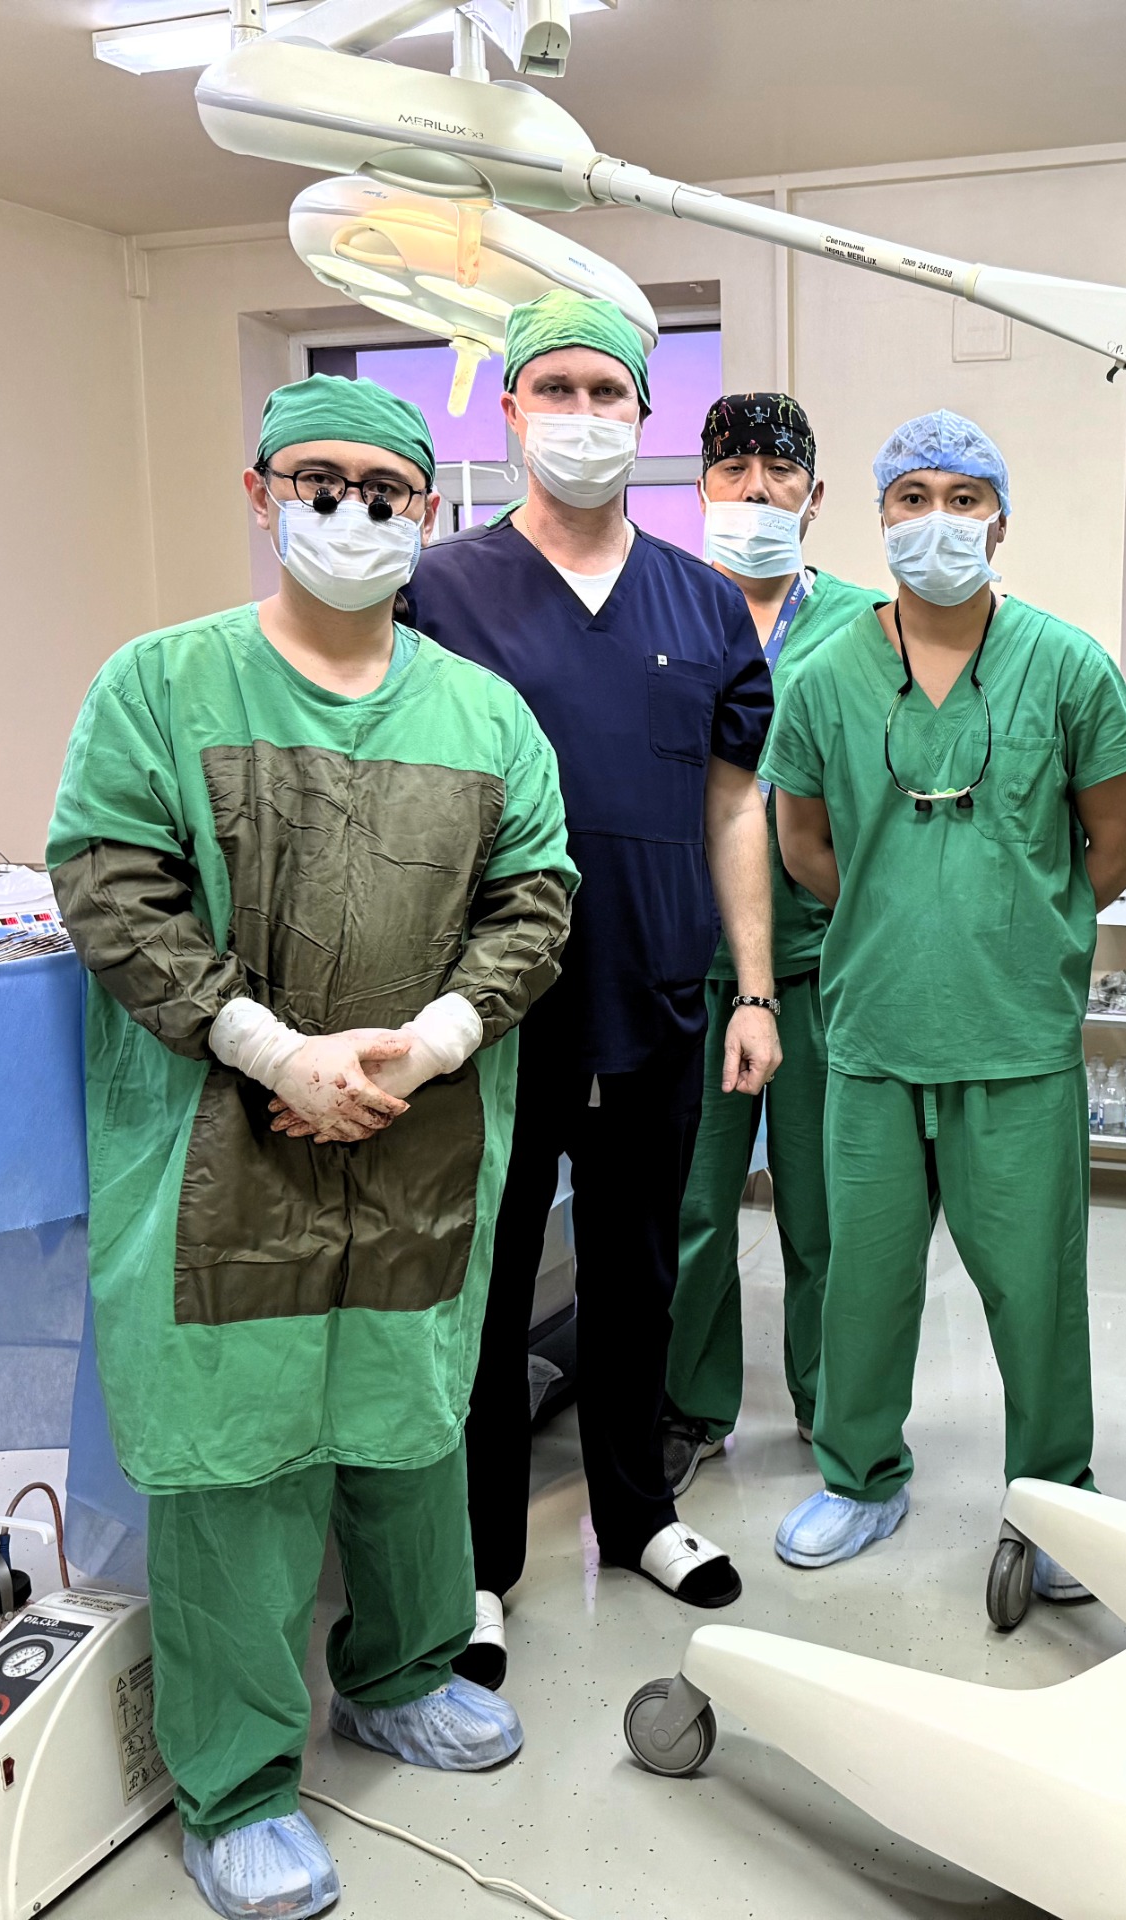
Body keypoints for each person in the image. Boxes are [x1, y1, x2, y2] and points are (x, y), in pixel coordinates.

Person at [49, 374, 575, 1920]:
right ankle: (237, 1785)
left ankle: (401, 1673)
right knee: (239, 1450)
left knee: (410, 1418)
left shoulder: (485, 715)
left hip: (418, 1126)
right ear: (260, 491)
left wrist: (438, 1041)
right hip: (222, 1135)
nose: (351, 511)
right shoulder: (161, 685)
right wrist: (272, 1049)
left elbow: (534, 898)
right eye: (317, 481)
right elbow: (111, 886)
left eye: (383, 489)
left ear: (428, 508)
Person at [403, 292, 778, 1673]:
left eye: (604, 391)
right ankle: (478, 1561)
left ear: (643, 413)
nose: (580, 415)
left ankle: (639, 1514)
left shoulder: (701, 601)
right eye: (552, 389)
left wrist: (753, 991)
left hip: (659, 1000)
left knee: (636, 1277)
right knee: (488, 1293)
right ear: (508, 411)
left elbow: (732, 805)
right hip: (491, 1016)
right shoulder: (438, 590)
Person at [761, 410, 1126, 1584]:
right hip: (874, 1031)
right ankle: (859, 1476)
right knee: (863, 1282)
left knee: (1036, 1291)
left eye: (963, 498)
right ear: (879, 518)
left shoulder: (1068, 665)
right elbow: (803, 843)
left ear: (1000, 522)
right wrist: (901, 915)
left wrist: (1017, 920)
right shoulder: (825, 675)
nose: (937, 519)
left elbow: (1121, 842)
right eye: (913, 498)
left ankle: (1054, 1500)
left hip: (1015, 1034)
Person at [660, 394, 888, 1495]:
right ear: (700, 486)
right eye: (733, 468)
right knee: (695, 1208)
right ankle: (690, 1406)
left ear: (815, 493)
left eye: (780, 471)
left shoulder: (865, 628)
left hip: (821, 965)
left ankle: (833, 1404)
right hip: (686, 968)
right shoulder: (660, 604)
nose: (756, 489)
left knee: (826, 1210)